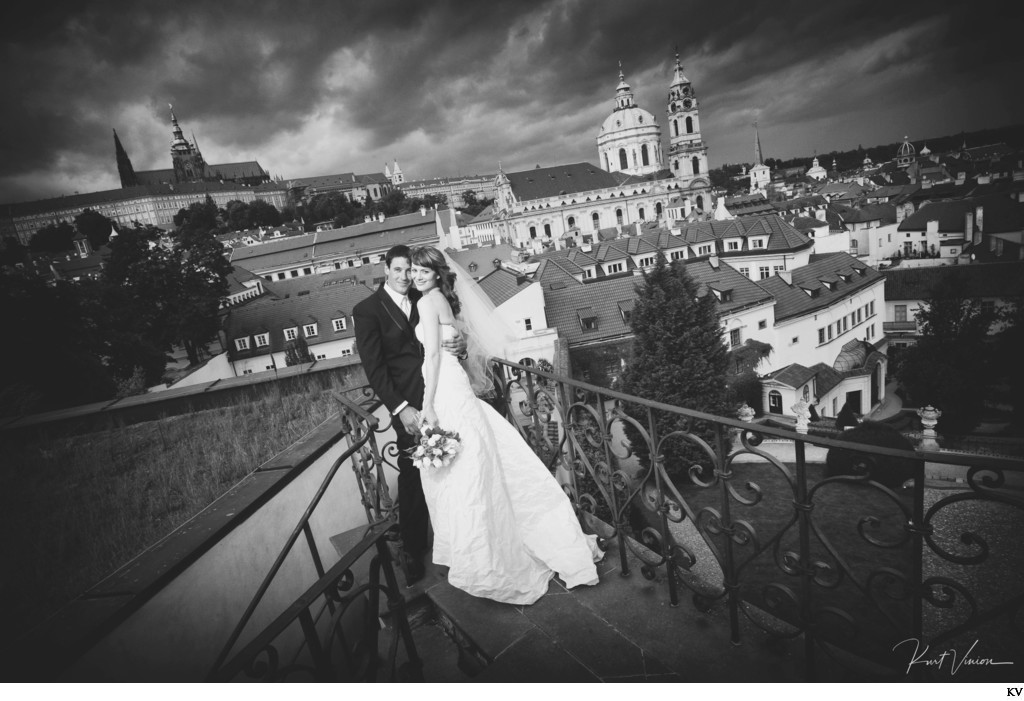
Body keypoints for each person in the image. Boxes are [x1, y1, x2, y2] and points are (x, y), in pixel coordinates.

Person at [408, 245, 601, 605]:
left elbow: (433, 355)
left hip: (443, 385)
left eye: (423, 270)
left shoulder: (424, 303)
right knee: (477, 455)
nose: (417, 276)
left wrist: (427, 404)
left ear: (436, 273)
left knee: (465, 467)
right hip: (454, 381)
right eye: (414, 271)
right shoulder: (443, 301)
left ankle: (484, 555)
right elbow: (454, 340)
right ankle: (488, 544)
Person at [353, 245, 466, 586]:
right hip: (410, 406)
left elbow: (444, 336)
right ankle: (414, 550)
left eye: (410, 270)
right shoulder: (367, 310)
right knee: (413, 474)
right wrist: (401, 409)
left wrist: (460, 344)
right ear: (385, 269)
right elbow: (375, 369)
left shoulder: (425, 296)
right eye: (399, 270)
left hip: (443, 393)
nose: (406, 277)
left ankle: (462, 537)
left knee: (459, 462)